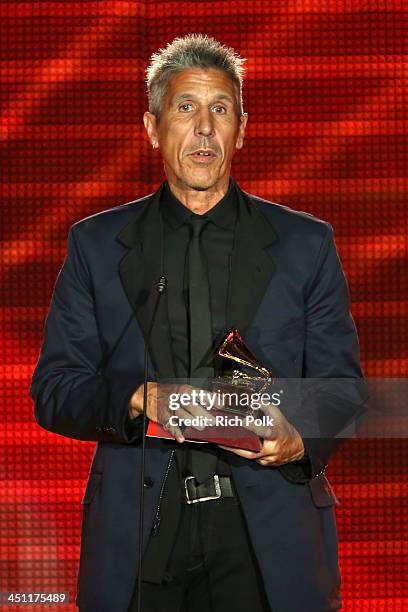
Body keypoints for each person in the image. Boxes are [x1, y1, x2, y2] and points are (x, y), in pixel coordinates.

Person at [30, 34, 367, 612]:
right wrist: (140, 397)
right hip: (139, 538)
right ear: (152, 126)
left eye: (221, 109)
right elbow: (56, 390)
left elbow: (343, 390)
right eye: (185, 108)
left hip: (267, 537)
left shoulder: (305, 244)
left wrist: (299, 438)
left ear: (242, 127)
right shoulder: (98, 245)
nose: (204, 127)